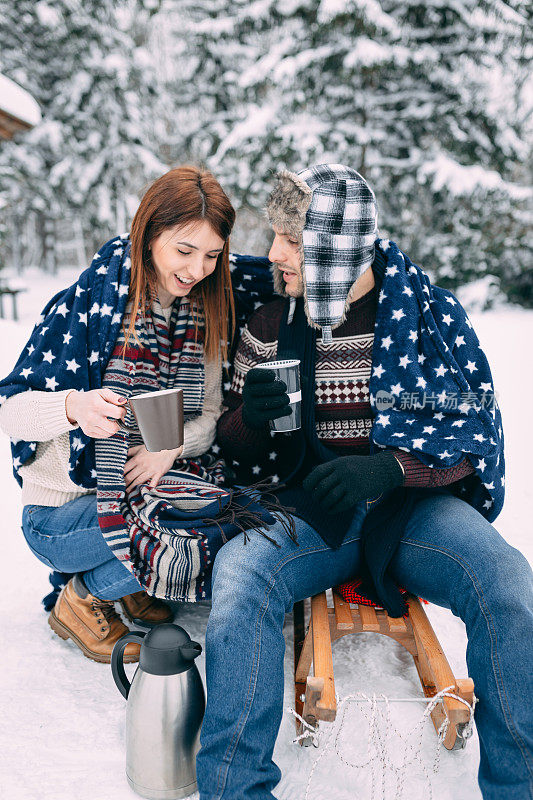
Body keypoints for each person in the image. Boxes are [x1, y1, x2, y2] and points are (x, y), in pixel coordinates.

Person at [196, 164, 533, 800]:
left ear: (335, 246)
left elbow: (471, 437)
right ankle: (233, 790)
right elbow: (233, 450)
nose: (273, 254)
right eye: (276, 236)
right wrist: (250, 421)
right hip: (310, 508)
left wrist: (393, 466)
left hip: (412, 510)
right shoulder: (270, 325)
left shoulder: (424, 319)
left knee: (509, 582)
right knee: (241, 577)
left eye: (292, 241)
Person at [0, 166, 237, 664]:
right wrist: (73, 406)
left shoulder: (204, 317)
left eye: (212, 255)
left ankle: (122, 581)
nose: (197, 270)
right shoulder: (88, 306)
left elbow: (209, 415)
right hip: (59, 515)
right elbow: (10, 410)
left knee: (223, 519)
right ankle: (83, 598)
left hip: (141, 490)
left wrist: (167, 448)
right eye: (184, 251)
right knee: (174, 529)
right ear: (149, 236)